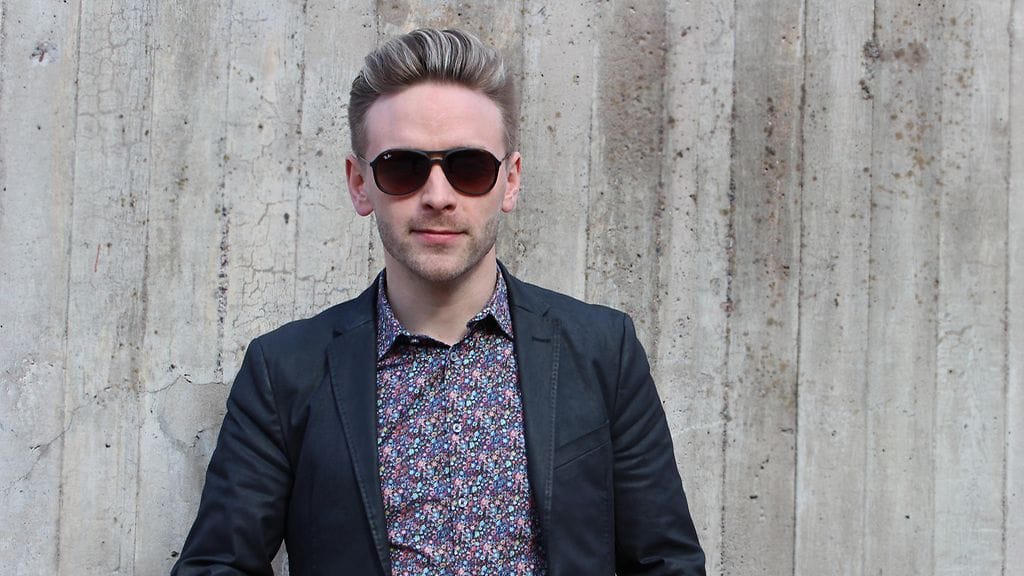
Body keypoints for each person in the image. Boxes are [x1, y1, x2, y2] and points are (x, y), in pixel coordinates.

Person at [173, 28, 705, 576]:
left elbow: (666, 562)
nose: (438, 196)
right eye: (402, 168)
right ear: (359, 183)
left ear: (510, 181)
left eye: (469, 167)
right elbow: (216, 566)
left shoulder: (603, 352)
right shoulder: (284, 370)